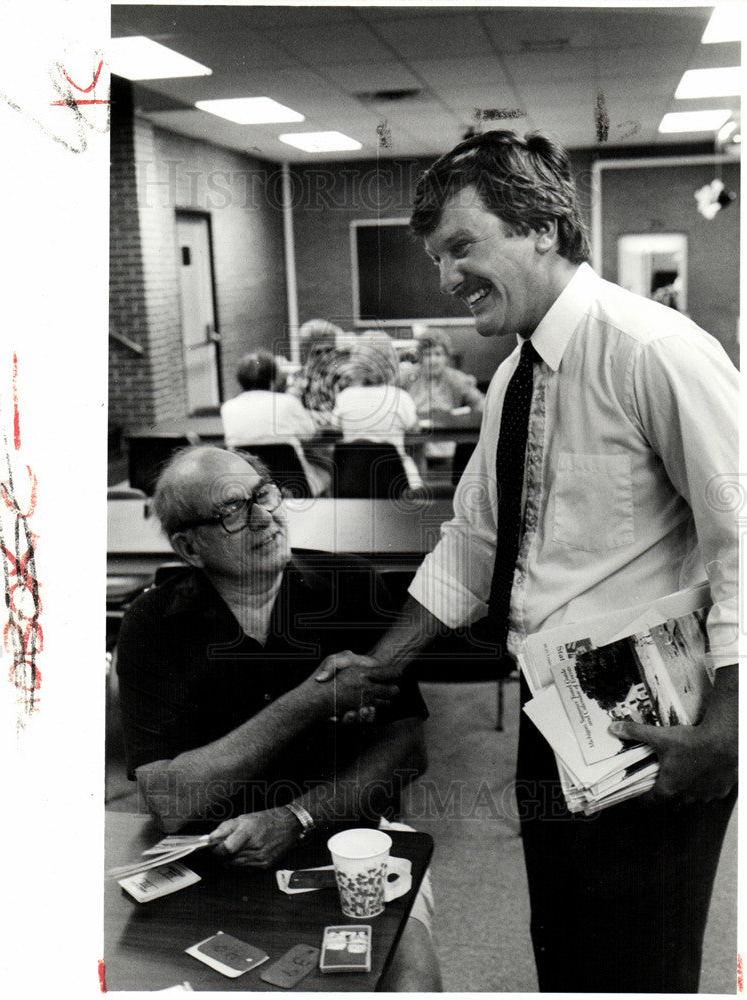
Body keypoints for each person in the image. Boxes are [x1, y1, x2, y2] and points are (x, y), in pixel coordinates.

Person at [315, 130, 738, 993]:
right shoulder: (517, 373)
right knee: (571, 949)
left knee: (640, 965)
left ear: (543, 227)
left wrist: (729, 730)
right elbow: (474, 539)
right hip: (556, 717)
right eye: (436, 258)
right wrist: (381, 662)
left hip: (658, 721)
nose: (445, 280)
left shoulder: (653, 349)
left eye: (462, 248)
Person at [116, 445, 441, 990]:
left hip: (348, 838)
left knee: (412, 983)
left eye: (263, 493)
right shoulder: (153, 624)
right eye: (232, 511)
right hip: (211, 853)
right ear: (189, 547)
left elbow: (408, 750)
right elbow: (171, 801)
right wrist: (307, 702)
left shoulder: (353, 588)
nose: (265, 515)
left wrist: (296, 819)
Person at [221, 350, 330, 496]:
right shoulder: (288, 402)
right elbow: (309, 434)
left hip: (248, 486)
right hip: (292, 484)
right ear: (273, 380)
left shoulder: (228, 407)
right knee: (327, 471)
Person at [333, 331, 424, 491]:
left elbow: (335, 427)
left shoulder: (344, 397)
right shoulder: (400, 397)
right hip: (395, 480)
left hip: (352, 480)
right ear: (391, 362)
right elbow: (415, 430)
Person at [407, 326, 486, 462]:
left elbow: (482, 404)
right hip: (414, 446)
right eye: (427, 354)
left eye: (438, 354)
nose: (433, 360)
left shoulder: (457, 379)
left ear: (446, 357)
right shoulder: (407, 377)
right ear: (420, 357)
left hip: (447, 445)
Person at [285, 318, 349, 427]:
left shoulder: (345, 377)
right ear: (307, 354)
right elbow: (291, 413)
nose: (324, 358)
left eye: (329, 351)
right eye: (317, 352)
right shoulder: (297, 379)